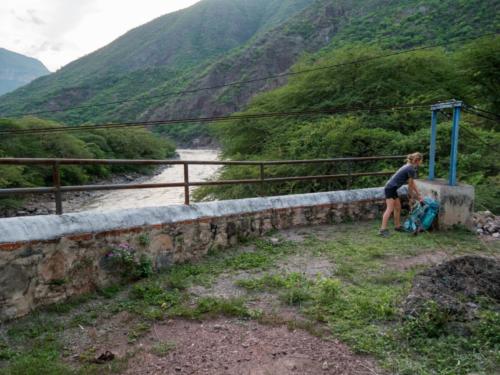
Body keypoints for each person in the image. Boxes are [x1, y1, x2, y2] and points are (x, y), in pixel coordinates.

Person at [379, 152, 423, 237]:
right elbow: (410, 185)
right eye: (421, 161)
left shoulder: (409, 166)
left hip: (392, 188)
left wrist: (418, 194)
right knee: (389, 209)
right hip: (390, 188)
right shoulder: (411, 169)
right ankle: (382, 230)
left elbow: (412, 183)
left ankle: (397, 226)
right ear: (417, 160)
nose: (421, 163)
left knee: (398, 207)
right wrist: (411, 197)